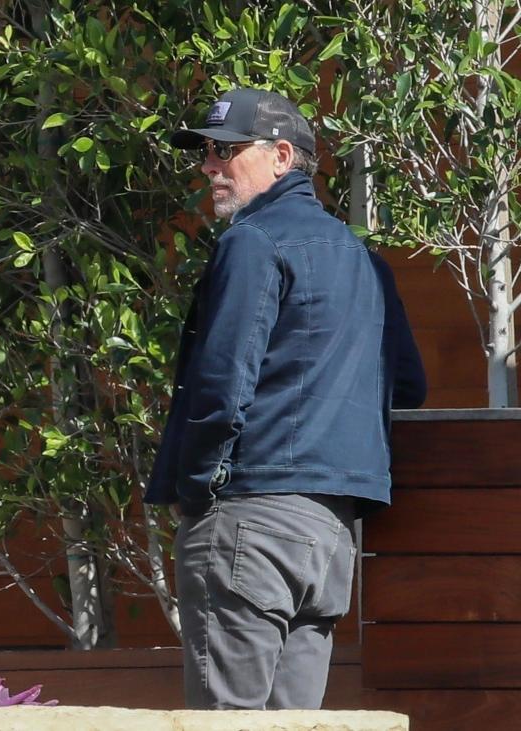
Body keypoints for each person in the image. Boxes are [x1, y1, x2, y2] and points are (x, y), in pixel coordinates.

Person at [144, 88, 426, 710]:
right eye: (205, 153)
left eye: (224, 150)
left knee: (229, 724)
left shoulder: (252, 243)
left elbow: (222, 383)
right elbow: (408, 389)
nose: (208, 166)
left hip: (249, 520)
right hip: (327, 538)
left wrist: (197, 492)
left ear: (279, 156)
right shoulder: (365, 260)